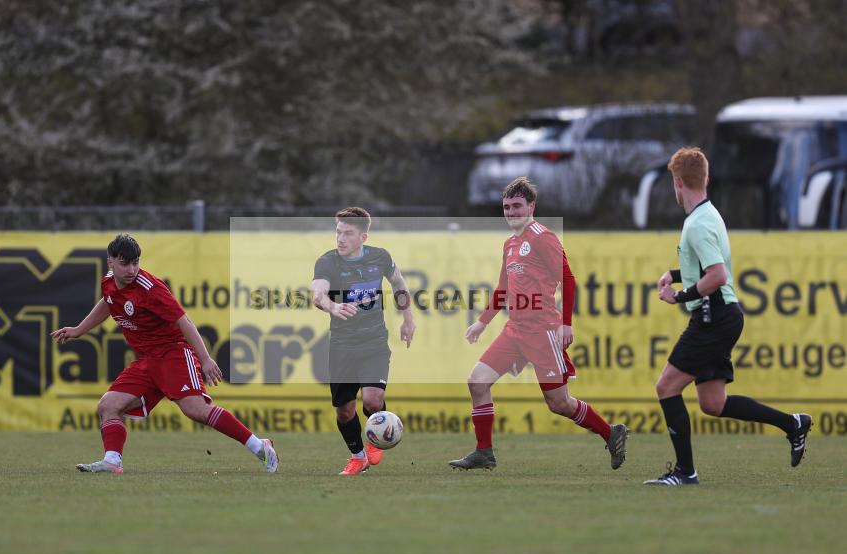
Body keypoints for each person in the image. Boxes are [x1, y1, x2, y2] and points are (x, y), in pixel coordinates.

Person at [647, 147, 811, 485]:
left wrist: (679, 295)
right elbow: (705, 268)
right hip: (721, 315)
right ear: (705, 178)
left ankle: (684, 472)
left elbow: (717, 276)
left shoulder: (698, 224)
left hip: (714, 317)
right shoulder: (706, 216)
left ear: (678, 182)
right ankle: (792, 424)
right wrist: (675, 274)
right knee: (713, 403)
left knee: (666, 387)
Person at [51, 234, 279, 474]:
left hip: (173, 353)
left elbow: (185, 321)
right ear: (110, 261)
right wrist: (78, 330)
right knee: (108, 405)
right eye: (124, 263)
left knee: (196, 410)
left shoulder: (150, 288)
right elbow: (108, 303)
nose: (131, 269)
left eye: (135, 262)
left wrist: (205, 359)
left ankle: (259, 446)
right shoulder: (108, 282)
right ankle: (112, 460)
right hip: (147, 361)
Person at [449, 177, 629, 471]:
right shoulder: (510, 243)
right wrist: (482, 322)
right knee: (477, 381)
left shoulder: (542, 237)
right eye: (506, 207)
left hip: (542, 330)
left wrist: (566, 324)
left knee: (560, 404)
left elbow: (568, 279)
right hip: (515, 330)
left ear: (531, 206)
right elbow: (502, 289)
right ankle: (484, 452)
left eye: (517, 206)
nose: (511, 212)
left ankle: (611, 433)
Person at [311, 208, 415, 476]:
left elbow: (400, 285)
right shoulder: (327, 262)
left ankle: (379, 433)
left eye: (348, 233)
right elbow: (317, 294)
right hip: (342, 345)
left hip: (374, 341)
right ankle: (358, 457)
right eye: (338, 232)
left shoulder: (381, 257)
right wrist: (332, 306)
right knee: (344, 412)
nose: (340, 238)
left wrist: (408, 320)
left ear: (363, 237)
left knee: (372, 401)